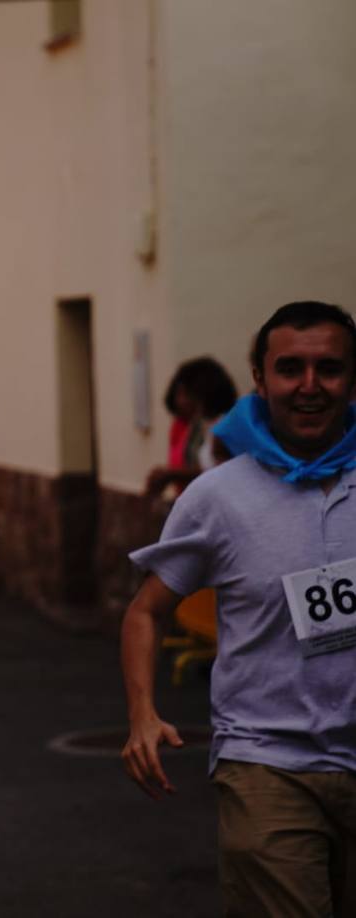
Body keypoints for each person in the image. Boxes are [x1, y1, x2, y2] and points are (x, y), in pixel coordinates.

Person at [121, 300, 356, 916]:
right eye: (290, 369)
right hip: (266, 762)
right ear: (259, 378)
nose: (309, 387)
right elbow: (146, 611)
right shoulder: (218, 497)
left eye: (329, 369)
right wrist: (142, 714)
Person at [144, 356, 238, 498]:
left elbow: (221, 473)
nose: (180, 400)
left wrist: (171, 474)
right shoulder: (202, 425)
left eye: (184, 393)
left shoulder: (227, 426)